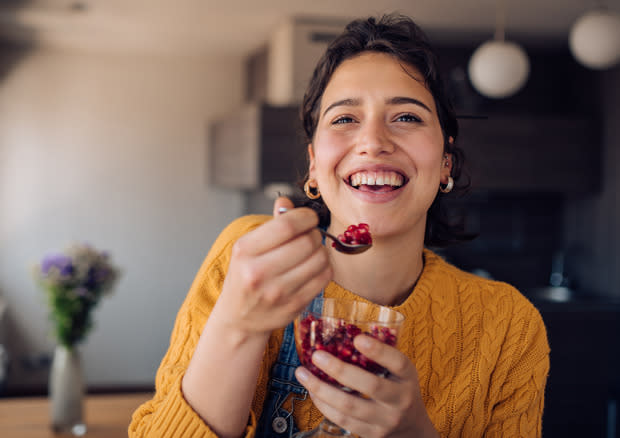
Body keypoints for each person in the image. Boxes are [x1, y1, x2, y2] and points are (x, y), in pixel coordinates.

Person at [129, 13, 549, 438]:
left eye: (407, 117)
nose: (373, 142)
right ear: (314, 165)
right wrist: (236, 326)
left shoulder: (509, 324)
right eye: (345, 119)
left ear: (445, 164)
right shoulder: (248, 257)